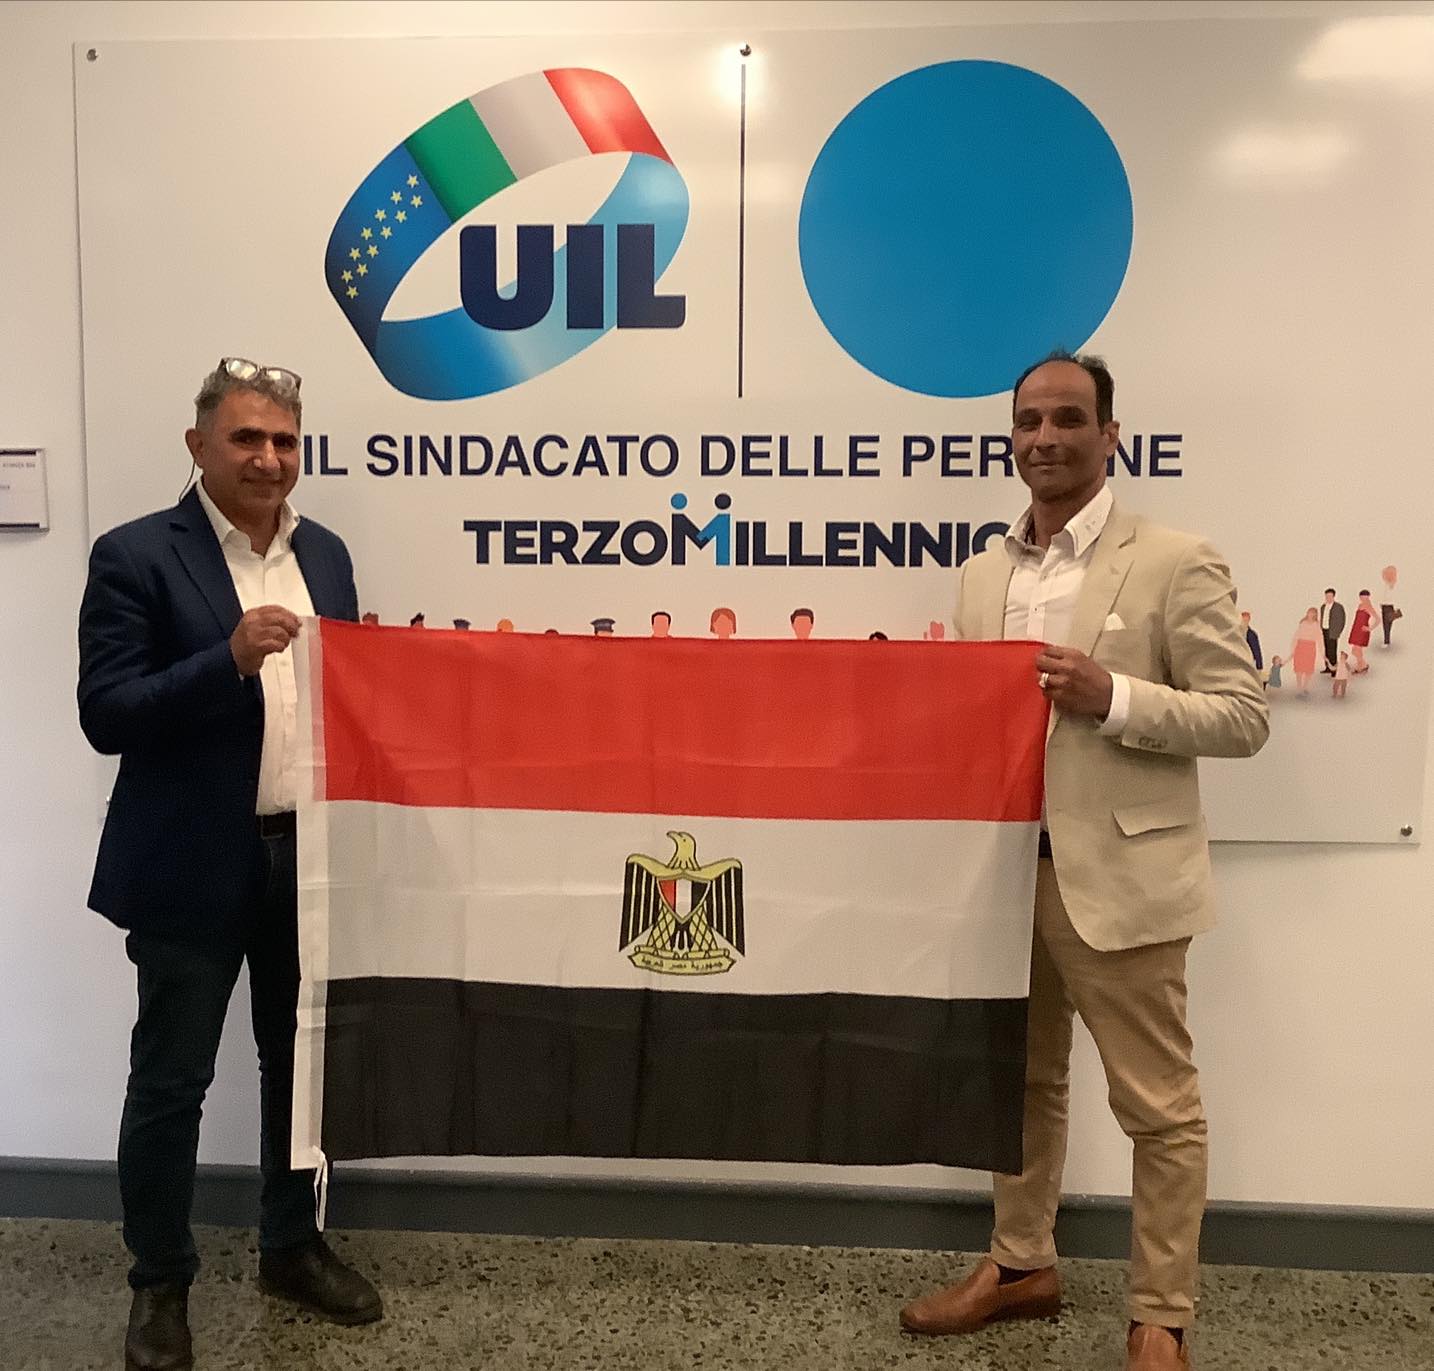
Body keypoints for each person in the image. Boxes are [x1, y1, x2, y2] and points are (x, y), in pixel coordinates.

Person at [899, 352, 1267, 1371]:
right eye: (1029, 421)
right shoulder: (984, 572)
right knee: (1018, 1086)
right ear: (1011, 438)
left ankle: (1162, 1316)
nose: (1045, 438)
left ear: (1110, 435)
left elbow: (1243, 717)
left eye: (1069, 418)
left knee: (1160, 1108)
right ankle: (1022, 1264)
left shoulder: (1176, 559)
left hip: (1123, 879)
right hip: (1006, 879)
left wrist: (1118, 698)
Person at [78, 359, 382, 1371]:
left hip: (306, 858)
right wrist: (228, 660)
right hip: (188, 864)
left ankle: (291, 1247)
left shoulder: (325, 555)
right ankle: (159, 1283)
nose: (268, 458)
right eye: (247, 437)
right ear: (198, 444)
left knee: (301, 1072)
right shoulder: (136, 555)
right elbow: (106, 713)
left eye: (285, 441)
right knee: (172, 1081)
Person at [1290, 609, 1322, 696]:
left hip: (1310, 647)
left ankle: (1305, 687)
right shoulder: (1303, 623)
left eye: (1313, 613)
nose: (1310, 615)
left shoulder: (1316, 625)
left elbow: (1320, 638)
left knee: (1308, 669)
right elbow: (1296, 635)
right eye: (1309, 613)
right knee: (1299, 668)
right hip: (1301, 646)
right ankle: (1299, 687)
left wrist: (1322, 652)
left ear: (1315, 615)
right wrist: (1293, 648)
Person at [1347, 591, 1376, 673]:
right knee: (1355, 650)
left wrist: (1370, 628)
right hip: (1356, 628)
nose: (1363, 599)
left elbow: (1378, 619)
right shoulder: (1360, 605)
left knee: (1357, 650)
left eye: (1365, 597)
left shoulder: (1369, 607)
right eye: (1362, 597)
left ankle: (1362, 666)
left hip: (1362, 631)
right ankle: (1362, 665)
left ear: (1368, 597)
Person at [1318, 588, 1344, 674]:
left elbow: (1341, 620)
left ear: (1333, 596)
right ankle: (1327, 667)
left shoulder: (1338, 607)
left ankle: (1334, 669)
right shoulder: (1323, 607)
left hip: (1332, 631)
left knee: (1332, 650)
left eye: (1330, 596)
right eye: (1327, 596)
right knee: (1326, 649)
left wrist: (1338, 632)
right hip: (1324, 630)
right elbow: (1322, 618)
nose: (1328, 598)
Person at [1379, 565, 1400, 647]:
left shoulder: (1393, 585)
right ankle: (1387, 641)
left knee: (1387, 624)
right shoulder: (1385, 585)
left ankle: (1387, 641)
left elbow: (1393, 597)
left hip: (1390, 606)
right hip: (1384, 606)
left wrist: (1396, 607)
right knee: (1385, 625)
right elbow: (1383, 596)